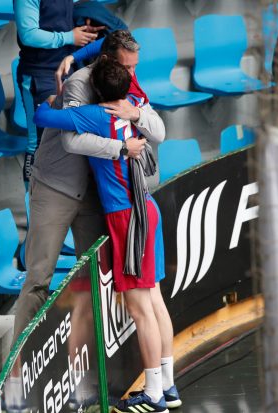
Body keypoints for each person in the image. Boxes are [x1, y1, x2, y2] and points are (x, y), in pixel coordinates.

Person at [34, 58, 177, 413]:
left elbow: (43, 117)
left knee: (140, 308)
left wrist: (55, 92)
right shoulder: (136, 107)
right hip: (147, 207)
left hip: (128, 218)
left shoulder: (96, 115)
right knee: (155, 300)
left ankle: (155, 394)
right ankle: (169, 386)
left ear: (96, 89)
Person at [15, 0, 104, 187]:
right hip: (38, 74)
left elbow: (58, 20)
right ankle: (32, 206)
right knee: (38, 142)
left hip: (66, 69)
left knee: (70, 137)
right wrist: (70, 37)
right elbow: (28, 35)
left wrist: (83, 31)